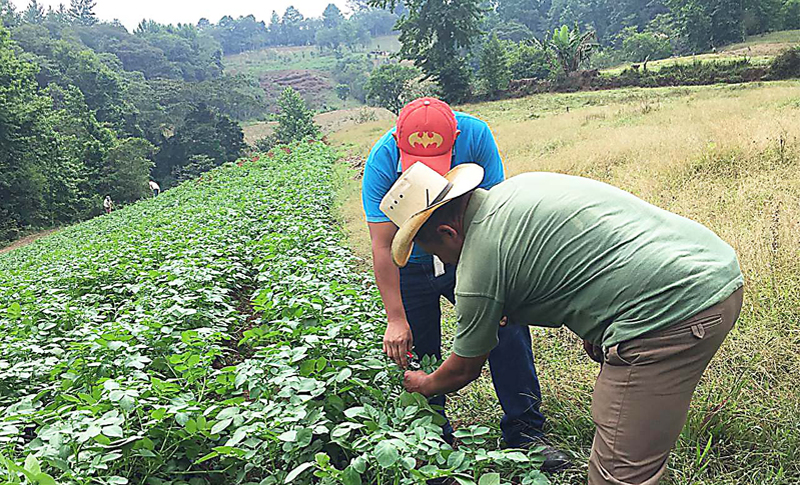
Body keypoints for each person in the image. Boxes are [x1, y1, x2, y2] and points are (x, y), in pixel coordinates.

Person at [384, 163, 744, 485]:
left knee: (618, 472)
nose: (441, 261)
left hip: (672, 310)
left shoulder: (478, 268)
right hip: (712, 268)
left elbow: (463, 369)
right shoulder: (518, 190)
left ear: (448, 233)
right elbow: (579, 254)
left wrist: (425, 383)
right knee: (628, 419)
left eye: (434, 252)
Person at [361, 97, 569, 471]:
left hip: (467, 249)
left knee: (507, 331)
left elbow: (493, 216)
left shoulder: (475, 136)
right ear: (398, 141)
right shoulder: (381, 159)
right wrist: (395, 317)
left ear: (455, 139)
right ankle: (432, 442)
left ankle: (526, 434)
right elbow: (382, 243)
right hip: (411, 261)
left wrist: (498, 290)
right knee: (417, 348)